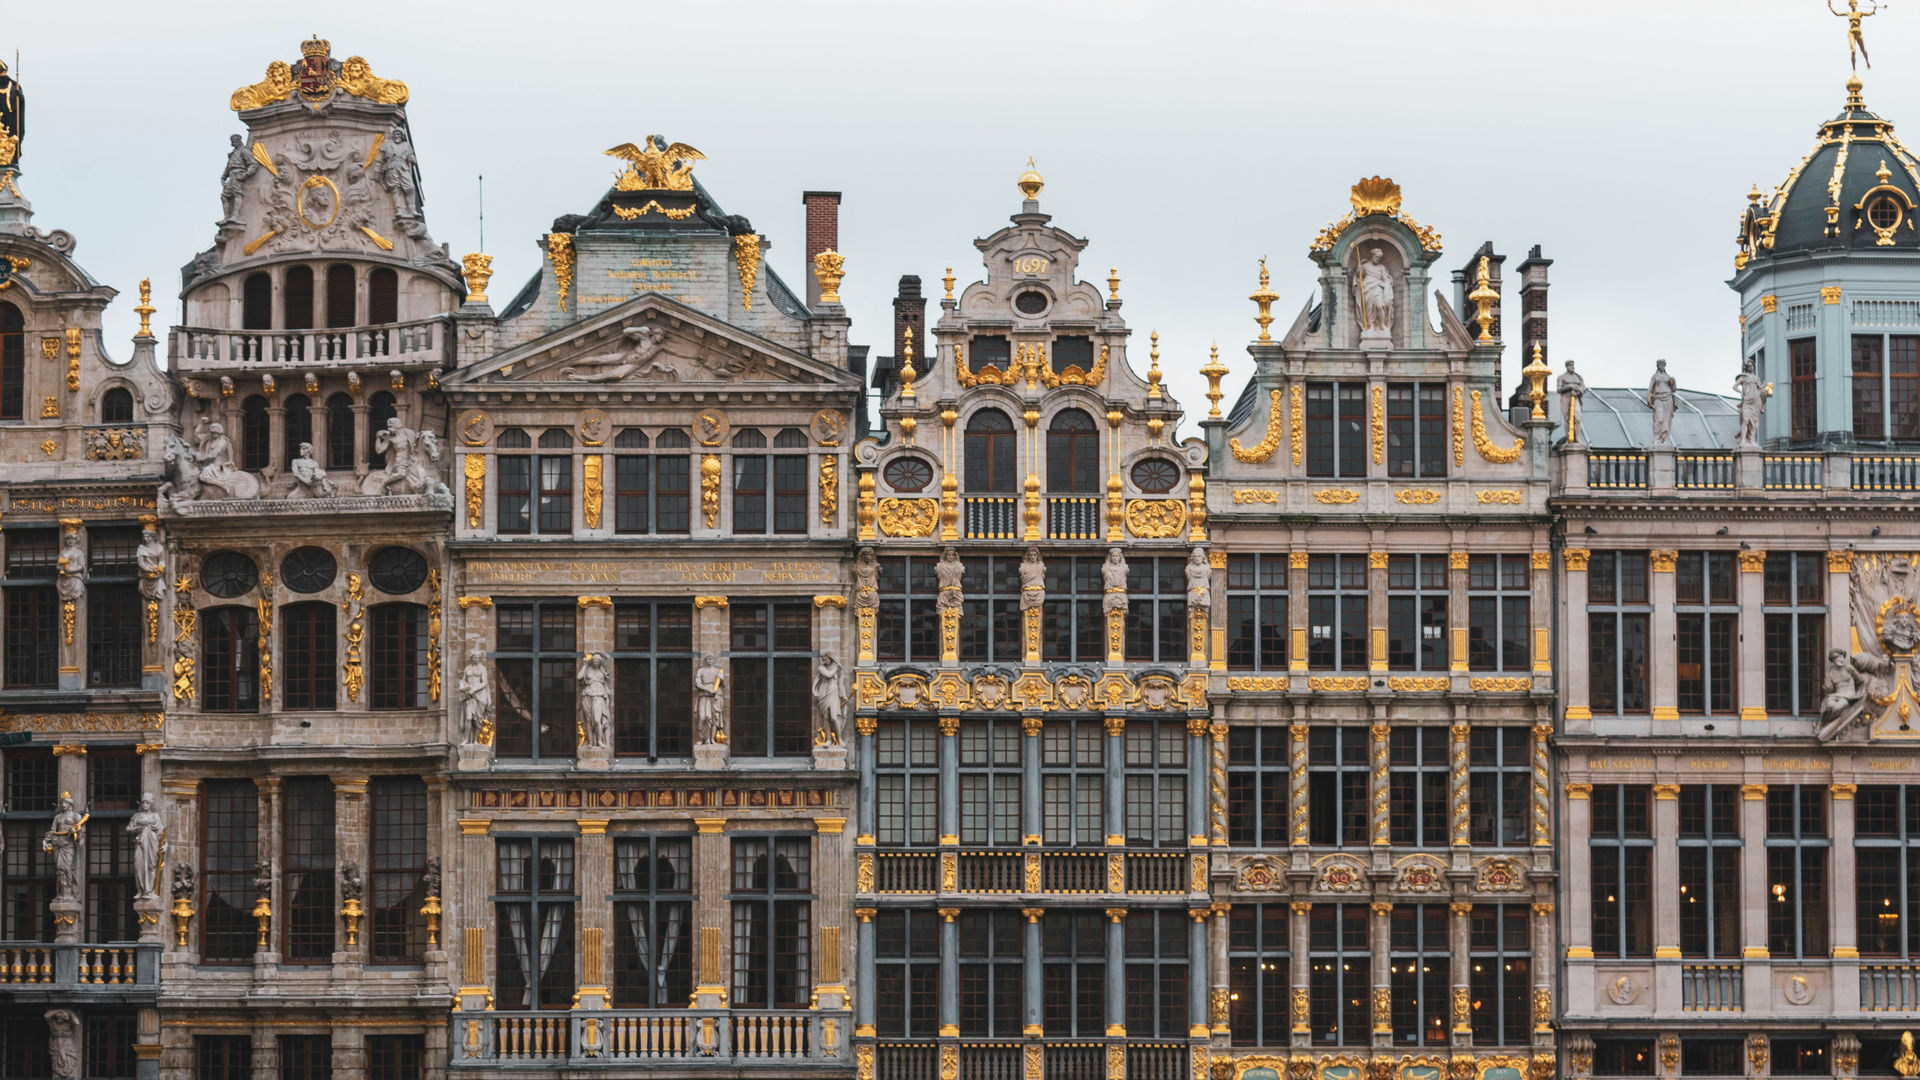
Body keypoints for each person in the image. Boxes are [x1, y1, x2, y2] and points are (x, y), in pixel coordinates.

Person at [127, 795, 164, 899]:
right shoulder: (137, 816)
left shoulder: (155, 816)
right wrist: (137, 829)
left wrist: (164, 844)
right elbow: (129, 828)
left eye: (147, 802)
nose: (145, 804)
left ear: (151, 804)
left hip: (152, 842)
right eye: (143, 802)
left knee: (151, 866)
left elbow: (161, 831)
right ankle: (140, 890)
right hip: (140, 842)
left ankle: (149, 891)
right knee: (139, 866)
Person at [694, 654, 726, 744]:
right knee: (703, 717)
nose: (710, 660)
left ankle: (711, 739)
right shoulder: (701, 670)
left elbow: (722, 684)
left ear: (713, 660)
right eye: (709, 659)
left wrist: (721, 679)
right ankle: (702, 738)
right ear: (706, 660)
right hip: (704, 695)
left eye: (712, 659)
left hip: (715, 696)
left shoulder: (717, 671)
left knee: (714, 719)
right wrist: (707, 689)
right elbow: (697, 683)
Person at [1646, 359, 1678, 446]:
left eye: (1663, 365)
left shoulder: (1669, 377)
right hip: (1657, 398)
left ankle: (1664, 439)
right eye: (1660, 365)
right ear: (1657, 366)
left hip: (1668, 398)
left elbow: (1674, 390)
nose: (1661, 366)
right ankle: (1657, 438)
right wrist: (1648, 398)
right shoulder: (1655, 377)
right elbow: (1650, 388)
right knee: (1658, 419)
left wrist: (1674, 382)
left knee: (1666, 420)